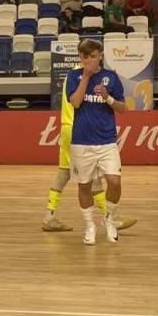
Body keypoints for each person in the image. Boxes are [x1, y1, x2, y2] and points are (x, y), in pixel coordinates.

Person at [43, 72, 136, 233]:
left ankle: (49, 216)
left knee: (65, 173)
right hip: (79, 129)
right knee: (92, 178)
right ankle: (110, 218)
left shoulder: (71, 75)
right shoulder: (84, 75)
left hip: (67, 127)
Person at [65, 39, 126, 245]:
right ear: (80, 58)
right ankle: (89, 226)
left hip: (107, 141)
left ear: (100, 56)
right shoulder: (73, 76)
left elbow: (122, 108)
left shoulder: (111, 77)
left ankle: (109, 218)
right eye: (85, 57)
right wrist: (86, 77)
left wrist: (108, 97)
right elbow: (75, 102)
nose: (89, 60)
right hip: (81, 141)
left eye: (93, 56)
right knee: (84, 186)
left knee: (114, 182)